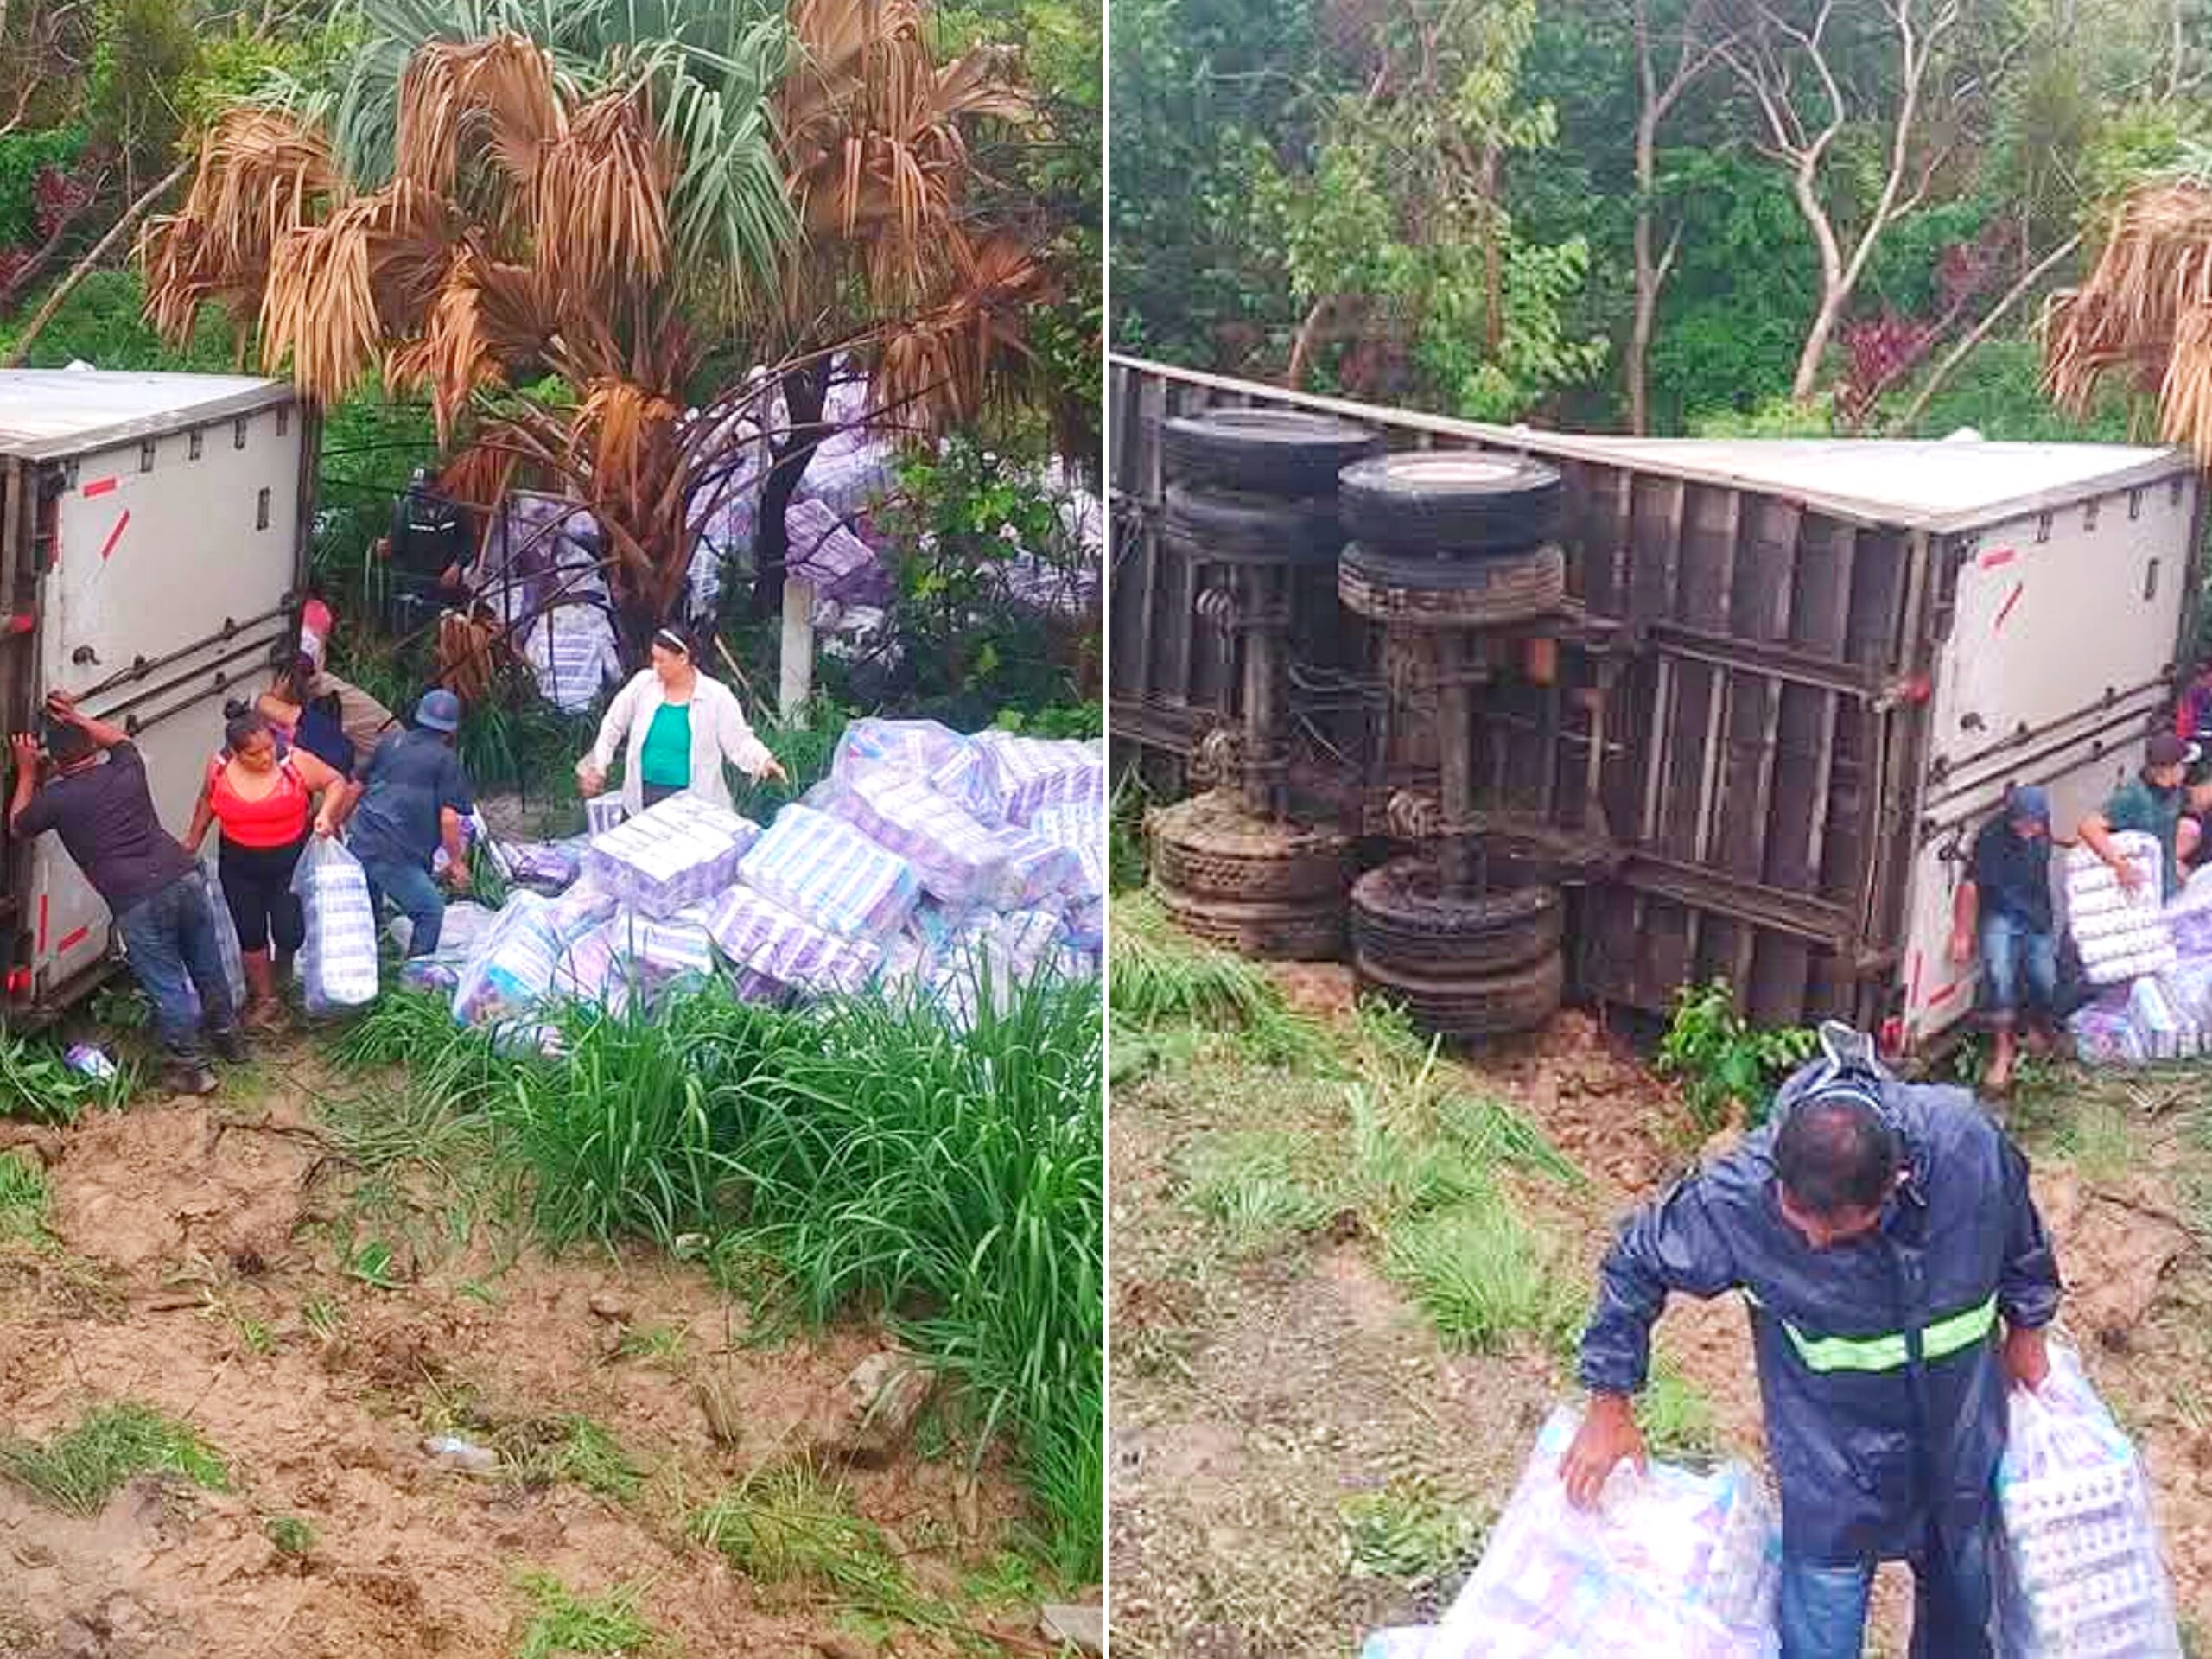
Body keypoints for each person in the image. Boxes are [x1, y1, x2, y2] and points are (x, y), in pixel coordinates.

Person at [1562, 1021, 2060, 1659]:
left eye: (1838, 1231)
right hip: (1832, 1473)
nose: (1814, 1243)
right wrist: (1609, 1403)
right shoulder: (1740, 1197)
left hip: (1958, 1451)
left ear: (1895, 1185)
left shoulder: (1964, 1147)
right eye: (1797, 1224)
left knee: (1963, 1630)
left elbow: (2022, 1234)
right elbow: (1637, 1260)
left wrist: (2029, 1327)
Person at [8, 693, 241, 1094]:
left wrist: (27, 772)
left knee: (166, 981)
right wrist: (77, 716)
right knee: (206, 963)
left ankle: (191, 1068)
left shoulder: (57, 799)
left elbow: (16, 826)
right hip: (183, 875)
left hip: (139, 899)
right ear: (92, 750)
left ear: (58, 763)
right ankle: (229, 1041)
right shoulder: (126, 769)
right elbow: (118, 739)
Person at [185, 702, 346, 1029]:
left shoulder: (294, 763)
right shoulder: (218, 768)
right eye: (255, 754)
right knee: (251, 934)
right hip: (240, 865)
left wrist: (326, 815)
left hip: (288, 862)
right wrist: (191, 841)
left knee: (290, 931)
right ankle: (266, 997)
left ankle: (283, 972)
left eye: (269, 748)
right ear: (235, 753)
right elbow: (206, 801)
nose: (265, 758)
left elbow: (335, 781)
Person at [325, 689, 474, 957]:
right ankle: (414, 980)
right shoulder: (445, 760)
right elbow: (449, 820)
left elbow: (356, 787)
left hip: (362, 840)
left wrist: (336, 825)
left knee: (368, 913)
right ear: (452, 730)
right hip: (396, 853)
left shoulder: (391, 742)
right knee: (430, 911)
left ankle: (368, 967)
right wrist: (456, 862)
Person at [576, 625, 787, 814]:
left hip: (695, 801)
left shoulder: (716, 696)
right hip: (642, 795)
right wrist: (599, 764)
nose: (655, 666)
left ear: (683, 658)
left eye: (662, 660)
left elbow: (738, 741)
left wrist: (763, 760)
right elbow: (613, 724)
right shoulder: (643, 684)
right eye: (653, 658)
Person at [1948, 784, 2058, 1095]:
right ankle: (2003, 1051)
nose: (2032, 830)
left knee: (2046, 980)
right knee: (2000, 977)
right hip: (2002, 915)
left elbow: (2048, 839)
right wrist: (1962, 933)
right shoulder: (1991, 837)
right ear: (2013, 818)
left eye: (2037, 824)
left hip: (2037, 914)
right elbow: (1971, 887)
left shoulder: (2041, 826)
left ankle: (2034, 1028)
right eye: (2026, 824)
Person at [2078, 730, 2199, 901]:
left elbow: (2196, 801)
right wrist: (2120, 865)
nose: (2187, 769)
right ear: (2168, 769)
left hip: (2169, 884)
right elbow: (2088, 826)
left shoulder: (2174, 790)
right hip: (2145, 891)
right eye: (2183, 765)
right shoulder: (2133, 796)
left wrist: (2173, 862)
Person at [378, 467, 471, 640]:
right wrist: (386, 548)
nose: (419, 495)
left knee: (446, 633)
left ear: (437, 488)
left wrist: (457, 566)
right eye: (415, 490)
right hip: (416, 583)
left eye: (423, 490)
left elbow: (468, 545)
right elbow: (396, 546)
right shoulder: (406, 509)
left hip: (446, 584)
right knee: (413, 634)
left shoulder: (455, 509)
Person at [256, 656, 356, 780]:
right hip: (339, 771)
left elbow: (263, 703)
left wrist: (275, 694)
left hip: (326, 780)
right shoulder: (323, 708)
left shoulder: (304, 718)